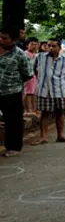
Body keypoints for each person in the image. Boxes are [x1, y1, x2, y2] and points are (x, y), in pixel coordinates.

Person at [0, 26, 33, 157]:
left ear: (13, 40)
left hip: (11, 91)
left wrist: (14, 82)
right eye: (0, 37)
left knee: (13, 120)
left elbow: (27, 73)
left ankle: (13, 147)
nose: (1, 40)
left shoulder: (19, 54)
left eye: (5, 38)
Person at [33, 38, 65, 144]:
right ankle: (43, 137)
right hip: (44, 90)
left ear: (59, 48)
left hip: (61, 90)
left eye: (53, 46)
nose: (50, 48)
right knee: (44, 113)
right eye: (48, 45)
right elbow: (32, 70)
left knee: (60, 113)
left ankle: (60, 135)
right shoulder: (39, 57)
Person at [23, 38, 38, 116]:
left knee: (32, 93)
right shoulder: (24, 54)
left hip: (33, 76)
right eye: (32, 44)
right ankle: (27, 110)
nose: (34, 46)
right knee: (27, 93)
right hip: (27, 76)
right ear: (27, 45)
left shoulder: (35, 55)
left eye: (36, 44)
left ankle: (33, 109)